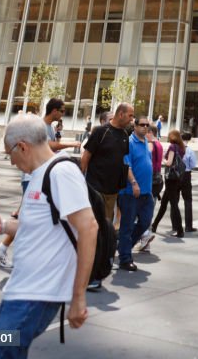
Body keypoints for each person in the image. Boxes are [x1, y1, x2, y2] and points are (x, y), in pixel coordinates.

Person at [0, 114, 97, 358]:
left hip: (37, 294)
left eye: (9, 153)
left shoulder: (61, 173)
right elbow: (36, 228)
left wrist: (78, 297)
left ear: (22, 146)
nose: (10, 162)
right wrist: (2, 226)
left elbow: (88, 227)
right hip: (21, 290)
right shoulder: (38, 175)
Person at [80, 101, 134, 289]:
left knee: (104, 232)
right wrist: (79, 181)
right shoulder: (101, 132)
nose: (132, 119)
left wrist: (130, 182)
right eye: (130, 115)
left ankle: (95, 271)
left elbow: (123, 161)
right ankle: (89, 273)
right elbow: (86, 156)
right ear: (120, 114)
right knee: (93, 232)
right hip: (95, 188)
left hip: (112, 192)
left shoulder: (125, 136)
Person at [117, 114, 154, 271]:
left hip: (147, 192)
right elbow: (127, 166)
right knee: (127, 225)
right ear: (135, 126)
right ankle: (125, 258)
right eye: (142, 125)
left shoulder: (145, 141)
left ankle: (124, 247)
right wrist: (133, 183)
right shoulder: (129, 142)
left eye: (147, 125)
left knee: (145, 222)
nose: (146, 128)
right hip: (131, 192)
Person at [152, 128, 186, 237]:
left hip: (170, 178)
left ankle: (180, 230)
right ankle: (154, 225)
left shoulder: (172, 147)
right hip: (177, 178)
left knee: (174, 205)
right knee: (164, 203)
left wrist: (162, 159)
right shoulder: (181, 147)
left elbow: (169, 163)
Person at [136, 124, 163, 253]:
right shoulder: (159, 144)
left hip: (150, 180)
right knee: (148, 208)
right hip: (157, 179)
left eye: (146, 131)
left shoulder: (150, 145)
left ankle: (144, 234)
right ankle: (145, 237)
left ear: (150, 132)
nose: (144, 133)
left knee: (141, 209)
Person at [181, 131, 198, 232]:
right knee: (187, 200)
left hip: (175, 176)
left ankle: (175, 224)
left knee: (173, 200)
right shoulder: (190, 151)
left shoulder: (174, 148)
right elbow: (193, 165)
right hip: (186, 175)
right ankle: (188, 225)